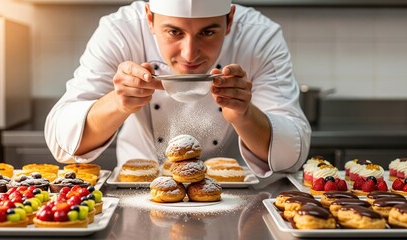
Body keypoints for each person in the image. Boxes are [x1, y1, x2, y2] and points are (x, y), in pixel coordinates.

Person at [44, 0, 311, 178]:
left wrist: (244, 115)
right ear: (149, 18)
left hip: (233, 190)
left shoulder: (259, 36)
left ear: (230, 20)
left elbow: (291, 155)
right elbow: (63, 143)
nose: (190, 53)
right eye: (174, 32)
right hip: (139, 185)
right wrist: (118, 103)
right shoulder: (120, 30)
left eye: (208, 33)